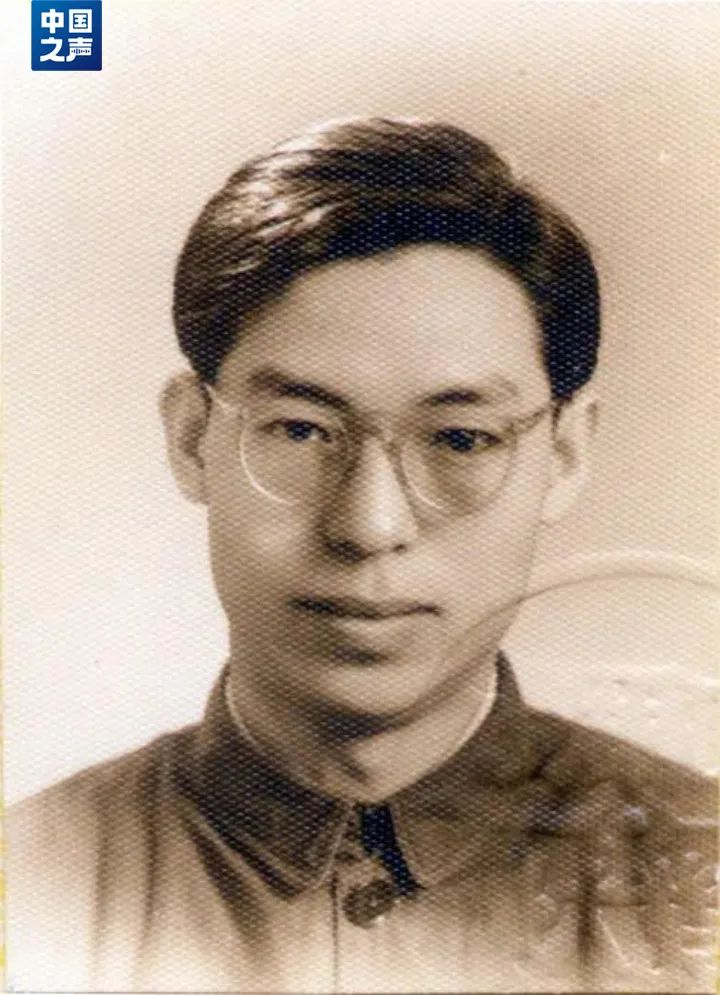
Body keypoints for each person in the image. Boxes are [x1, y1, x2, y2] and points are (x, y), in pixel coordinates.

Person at [7, 117, 716, 993]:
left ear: (564, 456)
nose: (371, 524)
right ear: (192, 439)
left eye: (460, 438)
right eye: (301, 429)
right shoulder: (26, 887)